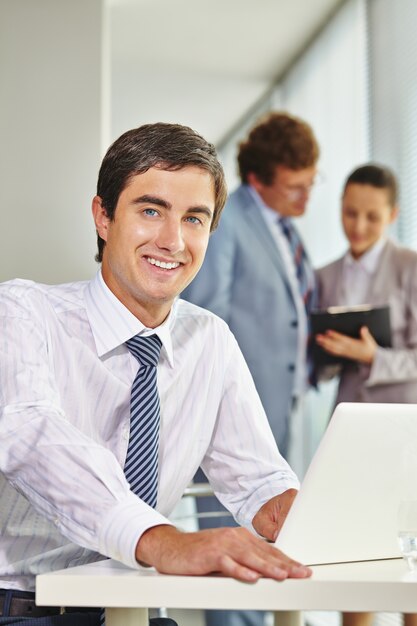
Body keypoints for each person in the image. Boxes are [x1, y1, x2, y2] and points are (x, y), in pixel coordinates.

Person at [0, 122, 312, 626]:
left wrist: (320, 517)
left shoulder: (209, 339)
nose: (173, 240)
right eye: (151, 211)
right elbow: (33, 440)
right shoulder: (22, 312)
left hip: (135, 609)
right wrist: (159, 540)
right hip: (23, 610)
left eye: (194, 218)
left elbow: (258, 481)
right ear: (103, 217)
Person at [182, 111, 319, 626]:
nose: (306, 199)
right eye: (295, 187)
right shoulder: (229, 221)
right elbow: (204, 313)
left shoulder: (283, 229)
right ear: (259, 178)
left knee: (273, 539)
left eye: (311, 184)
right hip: (234, 416)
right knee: (232, 547)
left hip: (282, 407)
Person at [315, 163, 417, 626]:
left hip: (403, 434)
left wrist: (372, 356)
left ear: (392, 214)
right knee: (353, 553)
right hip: (349, 432)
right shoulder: (325, 275)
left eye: (371, 218)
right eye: (350, 213)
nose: (358, 226)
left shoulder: (410, 268)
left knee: (411, 559)